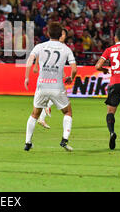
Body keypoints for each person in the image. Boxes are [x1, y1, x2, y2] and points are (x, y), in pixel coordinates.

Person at [24, 22, 77, 151]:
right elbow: (74, 68)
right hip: (57, 87)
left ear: (48, 33)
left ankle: (28, 142)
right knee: (67, 112)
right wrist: (71, 77)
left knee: (34, 114)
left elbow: (29, 61)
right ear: (60, 35)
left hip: (42, 85)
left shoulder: (40, 46)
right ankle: (64, 139)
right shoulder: (66, 49)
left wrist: (26, 77)